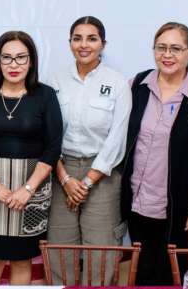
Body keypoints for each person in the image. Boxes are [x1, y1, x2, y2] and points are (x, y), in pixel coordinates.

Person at [121, 22, 188, 286]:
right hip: (137, 206)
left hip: (182, 211)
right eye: (161, 48)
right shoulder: (137, 85)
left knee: (175, 279)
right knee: (141, 277)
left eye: (176, 48)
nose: (167, 55)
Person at [0, 31, 63, 285]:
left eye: (21, 57)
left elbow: (53, 147)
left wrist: (28, 189)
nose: (14, 64)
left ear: (31, 61)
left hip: (31, 192)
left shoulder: (45, 95)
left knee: (22, 259)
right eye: (7, 58)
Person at [47, 16, 131, 285]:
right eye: (77, 38)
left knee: (101, 251)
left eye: (91, 39)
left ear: (103, 44)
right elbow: (48, 134)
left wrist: (85, 183)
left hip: (102, 173)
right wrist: (65, 179)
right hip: (61, 171)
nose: (84, 45)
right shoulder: (55, 80)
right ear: (70, 42)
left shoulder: (117, 83)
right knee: (60, 249)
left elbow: (117, 138)